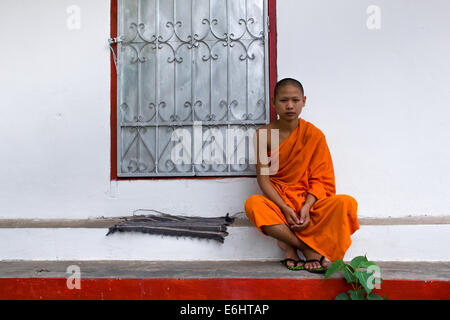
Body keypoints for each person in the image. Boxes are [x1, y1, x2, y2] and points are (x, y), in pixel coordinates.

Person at [245, 78, 359, 273]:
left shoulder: (314, 135)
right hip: (279, 203)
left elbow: (321, 179)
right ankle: (306, 248)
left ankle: (288, 245)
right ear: (273, 102)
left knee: (346, 203)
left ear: (304, 101)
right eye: (283, 100)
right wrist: (285, 207)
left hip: (310, 205)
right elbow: (264, 180)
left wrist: (307, 206)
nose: (290, 105)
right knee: (253, 204)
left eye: (295, 100)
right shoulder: (264, 135)